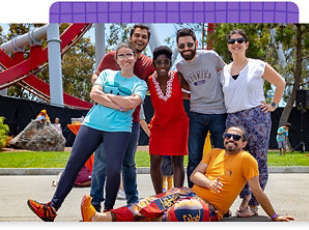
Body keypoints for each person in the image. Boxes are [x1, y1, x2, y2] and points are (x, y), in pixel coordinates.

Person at [27, 42, 148, 221]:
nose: (125, 59)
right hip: (92, 124)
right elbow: (94, 94)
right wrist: (119, 102)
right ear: (116, 59)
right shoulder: (107, 74)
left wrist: (108, 98)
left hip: (119, 129)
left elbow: (131, 103)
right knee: (73, 165)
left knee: (114, 170)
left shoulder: (140, 84)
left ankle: (107, 213)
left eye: (129, 54)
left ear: (135, 57)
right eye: (121, 55)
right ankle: (52, 208)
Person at [80, 125, 295, 222]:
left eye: (236, 138)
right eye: (228, 136)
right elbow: (194, 176)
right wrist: (209, 183)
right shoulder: (214, 153)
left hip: (210, 209)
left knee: (179, 212)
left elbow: (257, 191)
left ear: (244, 143)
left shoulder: (247, 160)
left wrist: (274, 216)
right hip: (190, 193)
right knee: (154, 202)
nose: (230, 139)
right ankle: (101, 217)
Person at [219, 29, 286, 218]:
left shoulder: (258, 65)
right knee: (237, 161)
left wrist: (273, 105)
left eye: (240, 40)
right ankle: (243, 197)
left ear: (246, 44)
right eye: (232, 41)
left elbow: (280, 83)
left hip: (256, 117)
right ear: (228, 46)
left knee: (258, 161)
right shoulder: (224, 71)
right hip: (233, 119)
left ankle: (254, 204)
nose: (236, 43)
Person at [90, 24, 155, 211]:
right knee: (101, 162)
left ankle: (132, 203)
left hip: (131, 121)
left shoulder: (148, 64)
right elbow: (96, 75)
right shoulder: (111, 57)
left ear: (147, 41)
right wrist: (98, 84)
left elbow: (157, 84)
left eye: (144, 36)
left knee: (128, 163)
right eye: (137, 35)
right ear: (131, 37)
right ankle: (95, 204)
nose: (140, 39)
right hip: (105, 119)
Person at [175, 28, 227, 188]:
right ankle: (193, 196)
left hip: (219, 112)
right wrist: (190, 96)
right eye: (182, 46)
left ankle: (220, 197)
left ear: (196, 43)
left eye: (189, 44)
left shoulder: (211, 57)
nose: (186, 49)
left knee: (221, 158)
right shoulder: (180, 66)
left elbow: (227, 75)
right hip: (196, 114)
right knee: (194, 158)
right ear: (178, 48)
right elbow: (180, 87)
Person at [147, 46, 189, 194]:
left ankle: (175, 198)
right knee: (155, 161)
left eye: (166, 62)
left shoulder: (178, 77)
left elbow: (192, 92)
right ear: (154, 64)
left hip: (178, 124)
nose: (163, 65)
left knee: (177, 162)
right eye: (159, 62)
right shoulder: (150, 81)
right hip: (159, 125)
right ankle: (159, 197)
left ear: (170, 63)